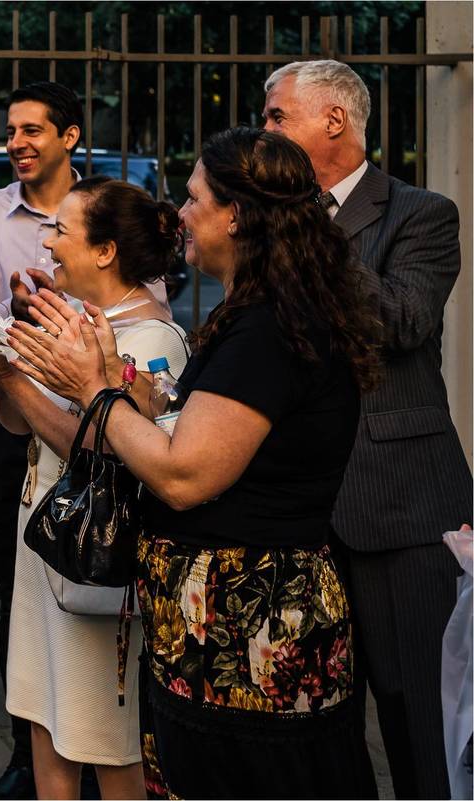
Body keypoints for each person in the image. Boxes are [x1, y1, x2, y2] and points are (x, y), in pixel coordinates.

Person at [7, 127, 383, 799]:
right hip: (221, 629)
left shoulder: (269, 327)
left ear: (235, 214)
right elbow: (195, 430)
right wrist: (126, 390)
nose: (179, 214)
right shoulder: (258, 314)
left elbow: (184, 475)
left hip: (251, 631)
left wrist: (93, 390)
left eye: (193, 197)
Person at [263, 59, 473, 800]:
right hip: (300, 511)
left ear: (334, 119)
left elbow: (402, 321)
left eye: (277, 115)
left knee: (418, 717)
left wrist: (312, 228)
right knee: (315, 721)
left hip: (401, 505)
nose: (264, 131)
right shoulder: (268, 223)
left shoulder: (421, 213)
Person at [0, 176, 189, 799]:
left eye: (60, 230)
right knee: (43, 716)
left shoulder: (151, 339)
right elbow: (17, 426)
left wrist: (15, 380)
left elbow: (101, 449)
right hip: (44, 536)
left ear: (105, 251)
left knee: (105, 739)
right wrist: (6, 365)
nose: (47, 242)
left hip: (96, 557)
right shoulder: (75, 320)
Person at [0, 81, 84, 799]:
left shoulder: (103, 209)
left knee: (97, 589)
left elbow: (146, 307)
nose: (17, 143)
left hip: (97, 433)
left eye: (32, 130)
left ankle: (98, 750)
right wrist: (12, 314)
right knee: (17, 590)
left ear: (69, 137)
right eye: (11, 131)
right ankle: (25, 754)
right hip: (14, 430)